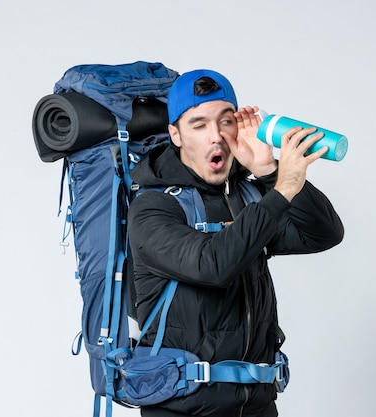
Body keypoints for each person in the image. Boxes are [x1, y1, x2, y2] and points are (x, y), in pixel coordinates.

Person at [127, 69, 345, 417]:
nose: (215, 136)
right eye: (198, 125)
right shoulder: (153, 206)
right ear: (176, 135)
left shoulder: (246, 195)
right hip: (183, 409)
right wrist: (282, 189)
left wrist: (269, 171)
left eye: (225, 121)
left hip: (257, 406)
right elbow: (212, 265)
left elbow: (322, 233)